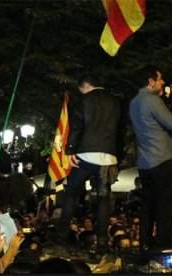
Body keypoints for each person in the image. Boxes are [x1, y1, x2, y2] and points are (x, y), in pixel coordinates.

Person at [56, 73, 124, 255]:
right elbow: (121, 132)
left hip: (84, 155)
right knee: (103, 200)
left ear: (85, 85)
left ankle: (61, 239)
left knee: (71, 194)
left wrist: (70, 149)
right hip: (108, 158)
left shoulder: (83, 100)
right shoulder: (116, 102)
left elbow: (77, 126)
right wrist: (118, 157)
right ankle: (102, 243)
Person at [129, 65, 172, 255]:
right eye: (160, 79)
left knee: (148, 206)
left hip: (145, 163)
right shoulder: (152, 100)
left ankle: (145, 244)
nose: (163, 82)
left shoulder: (134, 102)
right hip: (162, 160)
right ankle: (163, 245)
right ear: (151, 81)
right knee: (165, 204)